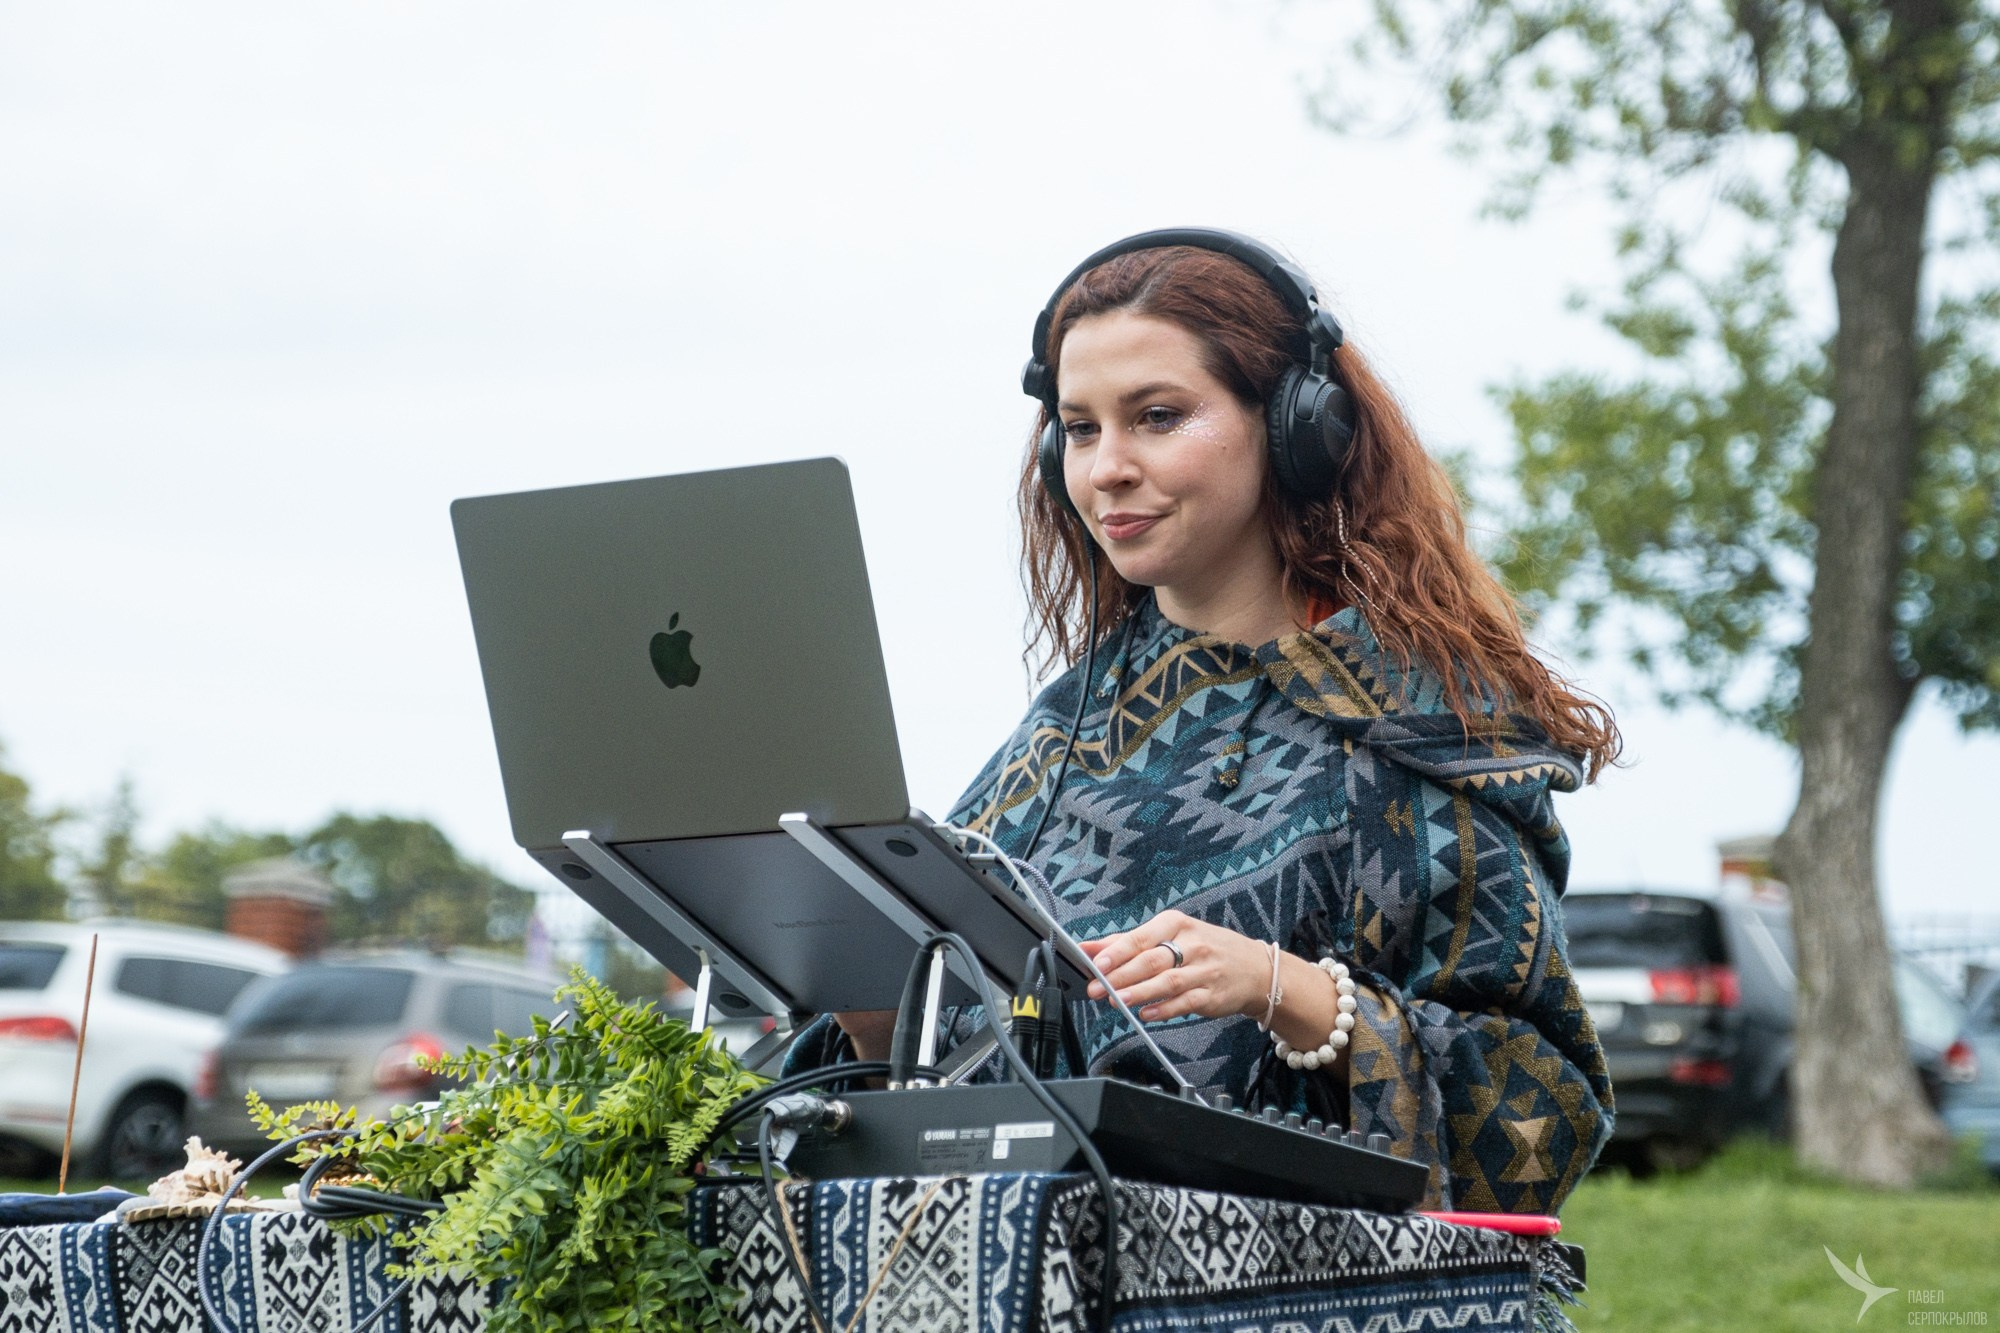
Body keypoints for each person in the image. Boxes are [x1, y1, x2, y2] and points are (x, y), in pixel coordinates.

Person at [790, 229, 1618, 1214]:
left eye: (1155, 416)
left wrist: (1292, 991)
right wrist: (878, 1015)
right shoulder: (1049, 744)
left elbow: (1543, 1113)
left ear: (1293, 428)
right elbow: (949, 1090)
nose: (1106, 469)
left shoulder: (1418, 724)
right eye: (1081, 428)